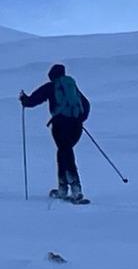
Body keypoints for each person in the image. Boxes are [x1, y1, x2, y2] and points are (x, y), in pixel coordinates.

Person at [20, 64, 90, 203]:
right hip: (76, 126)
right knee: (64, 152)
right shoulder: (72, 87)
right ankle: (64, 187)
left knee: (65, 152)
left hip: (60, 124)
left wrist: (23, 99)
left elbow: (32, 101)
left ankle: (74, 189)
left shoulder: (51, 86)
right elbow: (86, 105)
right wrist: (79, 119)